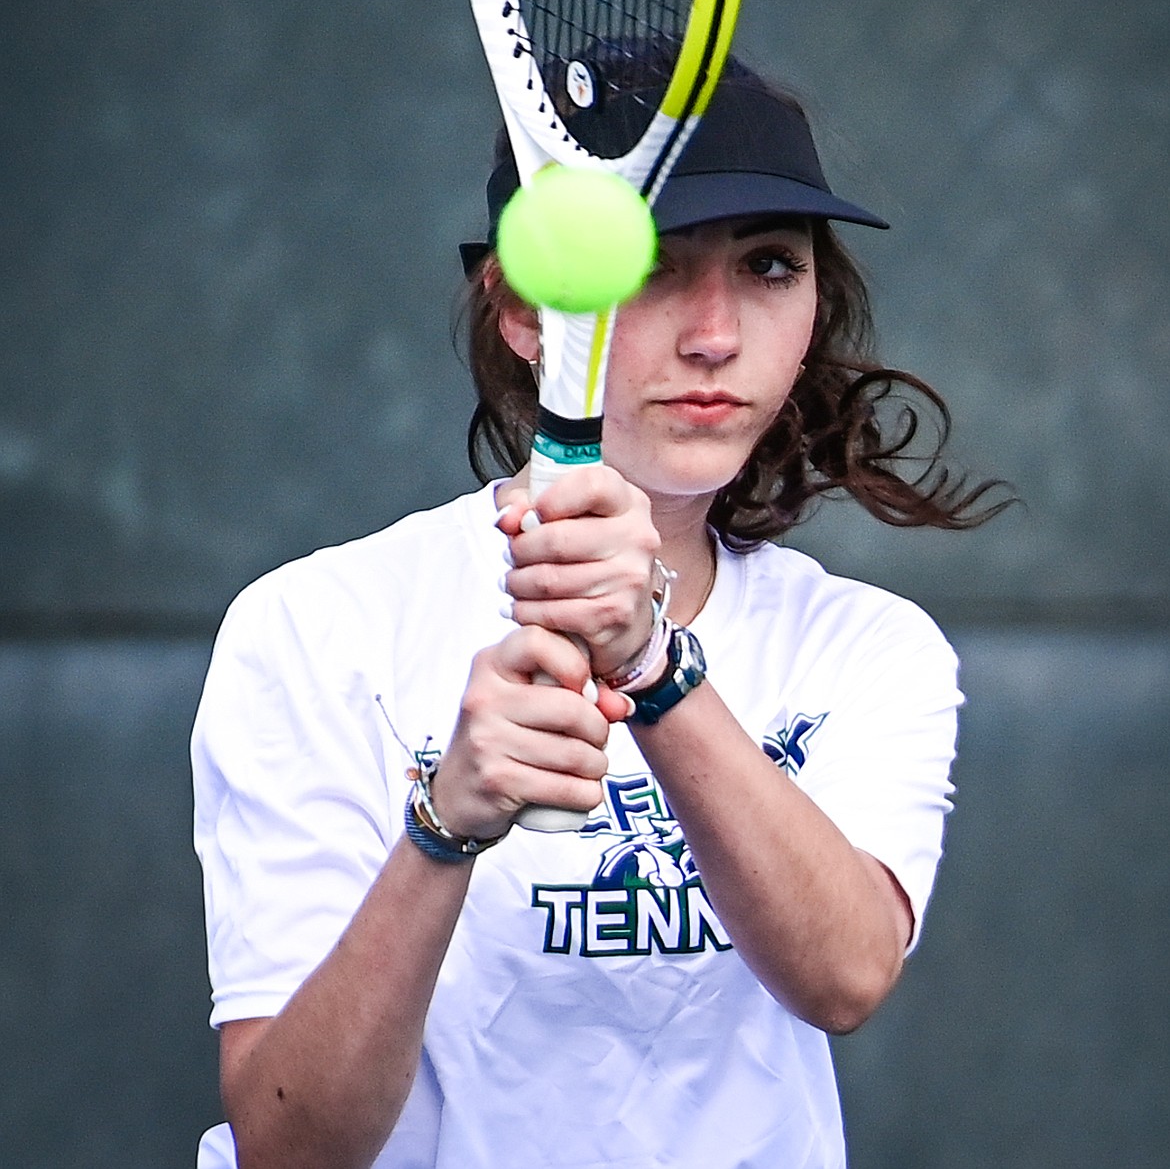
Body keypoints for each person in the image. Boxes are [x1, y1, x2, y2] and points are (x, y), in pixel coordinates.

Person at [191, 59, 1005, 1169]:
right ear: (526, 311)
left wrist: (660, 672)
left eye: (771, 264)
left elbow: (845, 977)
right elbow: (290, 1144)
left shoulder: (869, 650)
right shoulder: (316, 629)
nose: (716, 333)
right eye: (652, 266)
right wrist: (444, 827)